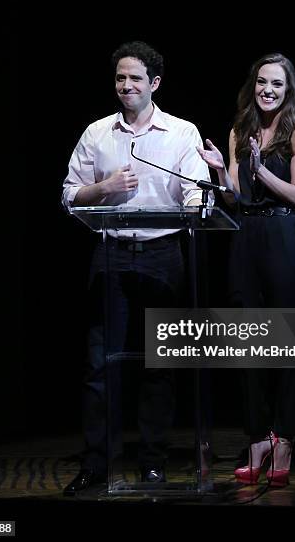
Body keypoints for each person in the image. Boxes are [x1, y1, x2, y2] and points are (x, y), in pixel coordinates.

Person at [61, 41, 212, 495]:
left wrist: (196, 206)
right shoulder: (97, 133)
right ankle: (97, 463)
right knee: (99, 365)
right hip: (110, 254)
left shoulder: (180, 132)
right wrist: (103, 187)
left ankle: (152, 463)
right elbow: (70, 196)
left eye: (135, 79)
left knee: (158, 366)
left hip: (164, 254)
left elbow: (193, 192)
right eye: (120, 79)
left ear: (155, 84)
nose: (126, 87)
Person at [196, 53, 295, 487]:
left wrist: (260, 170)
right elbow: (233, 197)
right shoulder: (238, 131)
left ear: (288, 90)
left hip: (282, 236)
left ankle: (285, 438)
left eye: (277, 85)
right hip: (244, 236)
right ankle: (257, 438)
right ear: (253, 86)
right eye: (262, 82)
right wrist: (222, 175)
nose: (268, 90)